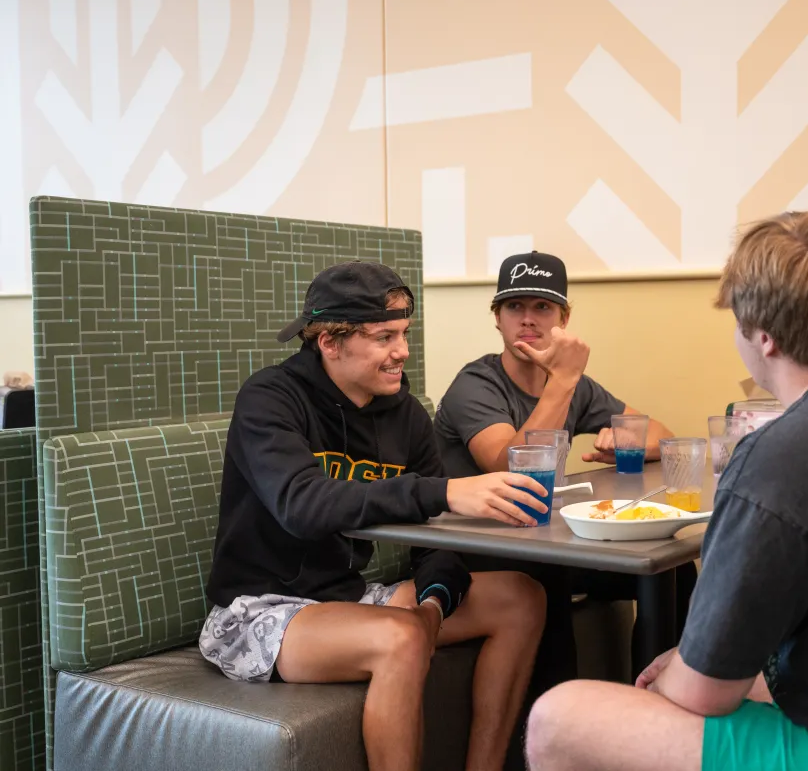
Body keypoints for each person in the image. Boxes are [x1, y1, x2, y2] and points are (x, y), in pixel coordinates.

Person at [524, 210, 808, 771]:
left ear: (765, 338)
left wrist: (679, 674)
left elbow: (703, 696)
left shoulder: (779, 458)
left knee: (561, 718)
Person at [200, 261, 548, 771]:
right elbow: (302, 504)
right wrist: (445, 491)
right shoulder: (270, 399)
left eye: (403, 334)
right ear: (330, 342)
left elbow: (435, 539)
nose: (402, 353)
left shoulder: (404, 414)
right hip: (256, 610)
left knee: (521, 597)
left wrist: (433, 605)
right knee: (400, 635)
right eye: (385, 337)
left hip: (345, 596)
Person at [433, 249, 685, 691]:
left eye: (542, 307)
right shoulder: (475, 384)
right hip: (476, 548)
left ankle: (664, 700)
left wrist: (625, 441)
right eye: (514, 307)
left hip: (540, 538)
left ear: (564, 318)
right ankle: (552, 741)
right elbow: (512, 466)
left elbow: (662, 434)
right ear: (497, 317)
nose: (527, 319)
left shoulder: (578, 388)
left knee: (672, 566)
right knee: (543, 577)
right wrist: (563, 380)